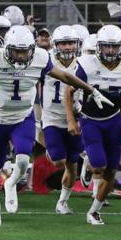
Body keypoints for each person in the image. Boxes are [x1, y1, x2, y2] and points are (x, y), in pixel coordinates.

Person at [0, 24, 108, 228]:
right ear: (7, 48)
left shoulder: (39, 57)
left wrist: (91, 90)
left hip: (23, 117)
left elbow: (64, 76)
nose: (21, 56)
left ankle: (11, 183)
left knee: (22, 160)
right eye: (16, 51)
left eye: (24, 51)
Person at [68, 24, 121, 226]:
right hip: (90, 120)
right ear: (98, 47)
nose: (110, 51)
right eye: (106, 47)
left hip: (114, 121)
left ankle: (94, 211)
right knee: (100, 164)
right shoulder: (86, 65)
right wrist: (70, 119)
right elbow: (68, 92)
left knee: (111, 170)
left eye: (114, 47)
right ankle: (88, 162)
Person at [43, 25, 85, 215]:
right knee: (59, 160)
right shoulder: (46, 61)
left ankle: (63, 201)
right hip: (52, 116)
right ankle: (50, 150)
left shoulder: (84, 64)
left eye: (70, 43)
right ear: (55, 45)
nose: (67, 47)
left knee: (72, 163)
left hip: (76, 118)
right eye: (63, 43)